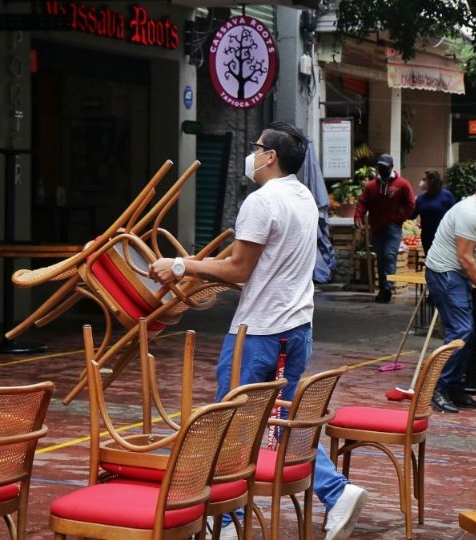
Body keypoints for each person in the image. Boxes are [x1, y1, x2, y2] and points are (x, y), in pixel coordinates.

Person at [148, 122, 366, 540]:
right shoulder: (303, 198)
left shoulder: (261, 201)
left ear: (270, 157)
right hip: (297, 327)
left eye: (257, 147)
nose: (253, 152)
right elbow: (252, 269)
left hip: (260, 331)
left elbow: (239, 268)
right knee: (276, 419)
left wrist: (180, 265)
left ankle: (227, 521)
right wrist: (199, 270)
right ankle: (333, 493)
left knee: (225, 420)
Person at [423, 166, 476, 413]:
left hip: (459, 273)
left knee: (467, 333)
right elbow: (466, 258)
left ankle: (454, 389)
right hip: (444, 272)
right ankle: (437, 388)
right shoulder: (469, 212)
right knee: (461, 330)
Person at [354, 153, 416, 303]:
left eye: (384, 167)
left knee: (389, 255)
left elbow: (410, 204)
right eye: (380, 167)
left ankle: (387, 287)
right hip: (377, 227)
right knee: (381, 259)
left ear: (391, 167)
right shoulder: (371, 186)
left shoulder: (402, 184)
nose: (381, 169)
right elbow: (362, 202)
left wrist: (398, 218)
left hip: (393, 227)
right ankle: (383, 287)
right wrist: (358, 217)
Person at [412, 169, 456, 254]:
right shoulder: (420, 198)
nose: (421, 182)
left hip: (443, 237)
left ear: (432, 181)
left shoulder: (446, 195)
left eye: (424, 179)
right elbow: (412, 215)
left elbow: (454, 215)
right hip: (427, 237)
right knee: (429, 262)